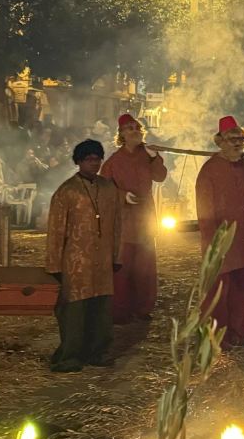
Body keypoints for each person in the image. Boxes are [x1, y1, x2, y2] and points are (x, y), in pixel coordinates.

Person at [46, 140, 122, 372]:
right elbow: (56, 230)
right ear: (78, 161)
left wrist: (116, 256)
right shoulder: (67, 191)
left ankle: (98, 352)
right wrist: (54, 265)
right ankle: (70, 356)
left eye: (97, 159)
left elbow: (117, 225)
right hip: (75, 262)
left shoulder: (109, 189)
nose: (94, 163)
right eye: (89, 159)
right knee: (74, 311)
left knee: (101, 309)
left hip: (103, 261)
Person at [195, 115, 244, 348]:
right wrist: (214, 243)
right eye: (232, 139)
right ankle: (217, 337)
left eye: (241, 140)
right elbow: (205, 210)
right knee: (218, 292)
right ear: (220, 142)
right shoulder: (210, 170)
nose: (237, 144)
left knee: (241, 288)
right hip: (222, 240)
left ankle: (239, 331)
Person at [100, 113, 168, 323]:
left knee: (145, 267)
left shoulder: (147, 155)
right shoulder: (113, 162)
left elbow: (160, 176)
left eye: (137, 128)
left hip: (145, 218)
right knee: (123, 268)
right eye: (130, 128)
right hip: (124, 221)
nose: (135, 131)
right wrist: (123, 196)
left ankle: (143, 308)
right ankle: (120, 311)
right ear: (121, 134)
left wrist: (155, 158)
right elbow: (103, 190)